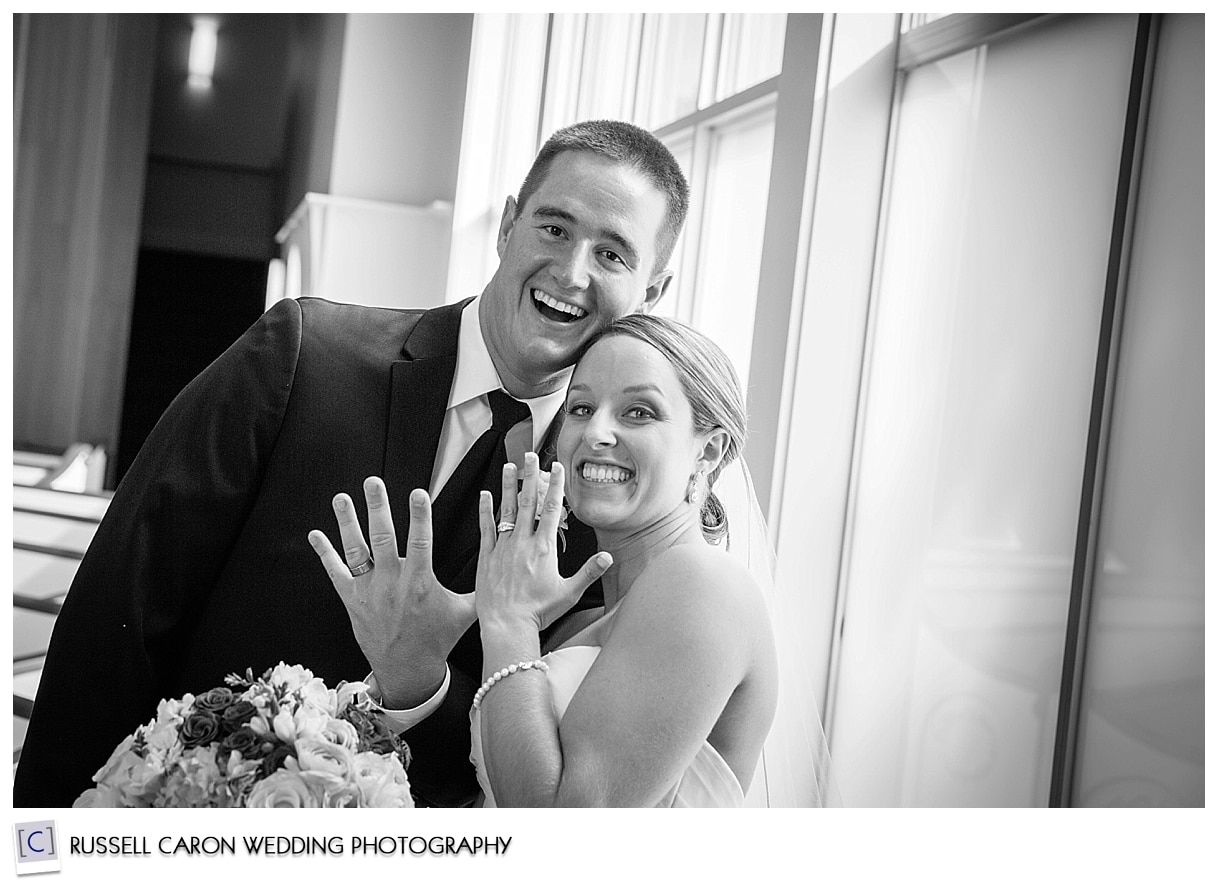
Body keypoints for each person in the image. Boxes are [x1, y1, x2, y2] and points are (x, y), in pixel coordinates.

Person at [14, 119, 689, 808]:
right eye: (554, 228)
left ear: (653, 293)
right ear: (507, 225)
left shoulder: (603, 519)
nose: (572, 272)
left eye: (612, 255)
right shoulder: (303, 357)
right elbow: (119, 606)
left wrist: (420, 685)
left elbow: (532, 781)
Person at [312, 314, 781, 806]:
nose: (596, 432)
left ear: (708, 451)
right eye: (580, 408)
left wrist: (509, 619)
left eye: (639, 412)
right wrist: (414, 669)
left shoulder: (701, 582)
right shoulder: (577, 620)